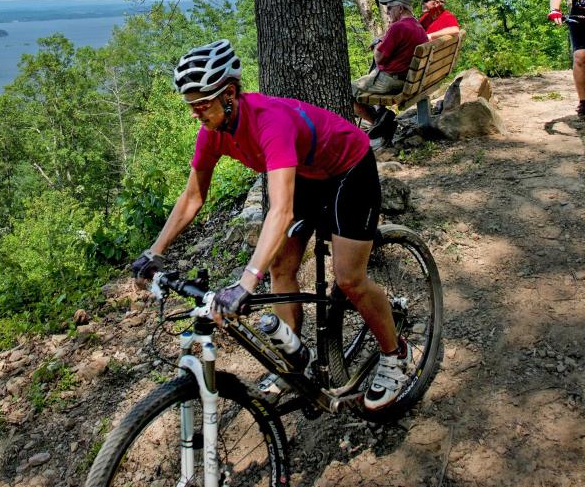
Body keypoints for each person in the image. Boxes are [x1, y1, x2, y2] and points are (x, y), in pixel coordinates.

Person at [130, 39, 416, 411]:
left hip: (349, 169)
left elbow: (279, 212)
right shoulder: (212, 133)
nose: (195, 113)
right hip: (310, 175)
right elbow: (192, 197)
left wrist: (246, 281)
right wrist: (153, 251)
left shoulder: (269, 122)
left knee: (349, 278)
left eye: (202, 103)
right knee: (281, 266)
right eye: (191, 105)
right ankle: (292, 360)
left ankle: (396, 354)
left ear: (229, 93)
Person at [353, 0, 428, 141]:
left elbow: (379, 58)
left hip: (392, 81)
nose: (387, 12)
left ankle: (380, 124)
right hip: (411, 79)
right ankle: (382, 119)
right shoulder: (417, 26)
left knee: (347, 91)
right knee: (364, 83)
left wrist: (377, 44)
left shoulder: (398, 27)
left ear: (400, 9)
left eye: (389, 8)